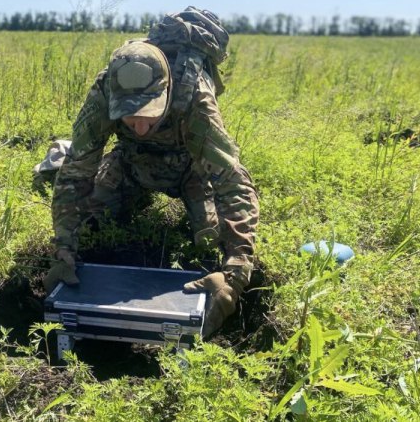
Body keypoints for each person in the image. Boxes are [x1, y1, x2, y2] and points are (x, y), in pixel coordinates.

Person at [43, 24, 259, 336]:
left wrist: (236, 272)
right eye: (130, 118)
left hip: (190, 170)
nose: (140, 128)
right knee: (94, 222)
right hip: (131, 164)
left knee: (209, 238)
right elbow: (76, 170)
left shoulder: (195, 98)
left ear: (167, 91)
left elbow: (232, 182)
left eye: (150, 115)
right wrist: (64, 246)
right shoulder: (103, 93)